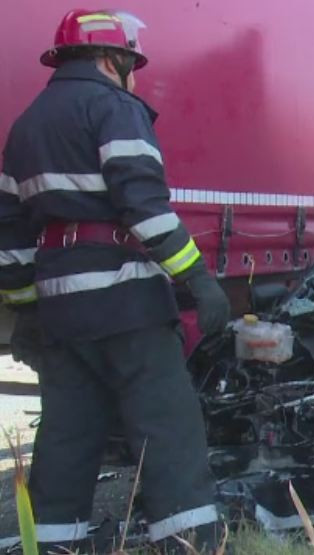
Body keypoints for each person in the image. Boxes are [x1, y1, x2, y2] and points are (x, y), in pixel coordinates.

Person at [0, 10, 229, 553]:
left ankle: (53, 544)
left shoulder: (25, 126)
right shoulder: (115, 108)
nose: (136, 79)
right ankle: (188, 543)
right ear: (112, 60)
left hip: (61, 311)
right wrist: (199, 280)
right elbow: (144, 208)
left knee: (66, 436)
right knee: (167, 426)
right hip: (126, 301)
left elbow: (8, 236)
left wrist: (29, 308)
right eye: (132, 66)